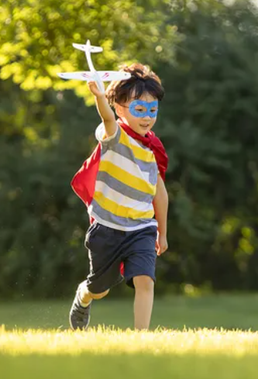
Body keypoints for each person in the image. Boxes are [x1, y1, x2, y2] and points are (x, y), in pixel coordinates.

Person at [68, 63, 170, 331]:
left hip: (141, 226)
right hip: (107, 227)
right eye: (139, 109)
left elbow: (160, 193)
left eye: (152, 110)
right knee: (99, 289)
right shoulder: (114, 136)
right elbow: (107, 120)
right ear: (121, 108)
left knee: (145, 280)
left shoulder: (153, 148)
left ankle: (141, 340)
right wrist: (99, 97)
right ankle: (84, 295)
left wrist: (162, 232)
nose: (146, 117)